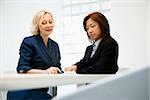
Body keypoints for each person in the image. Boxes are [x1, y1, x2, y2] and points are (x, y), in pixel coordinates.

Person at [7, 10, 62, 100]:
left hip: (41, 90)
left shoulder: (54, 45)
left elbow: (58, 67)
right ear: (37, 25)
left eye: (50, 22)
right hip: (23, 90)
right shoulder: (29, 42)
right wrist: (45, 72)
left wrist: (59, 70)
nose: (48, 25)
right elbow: (22, 69)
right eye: (44, 23)